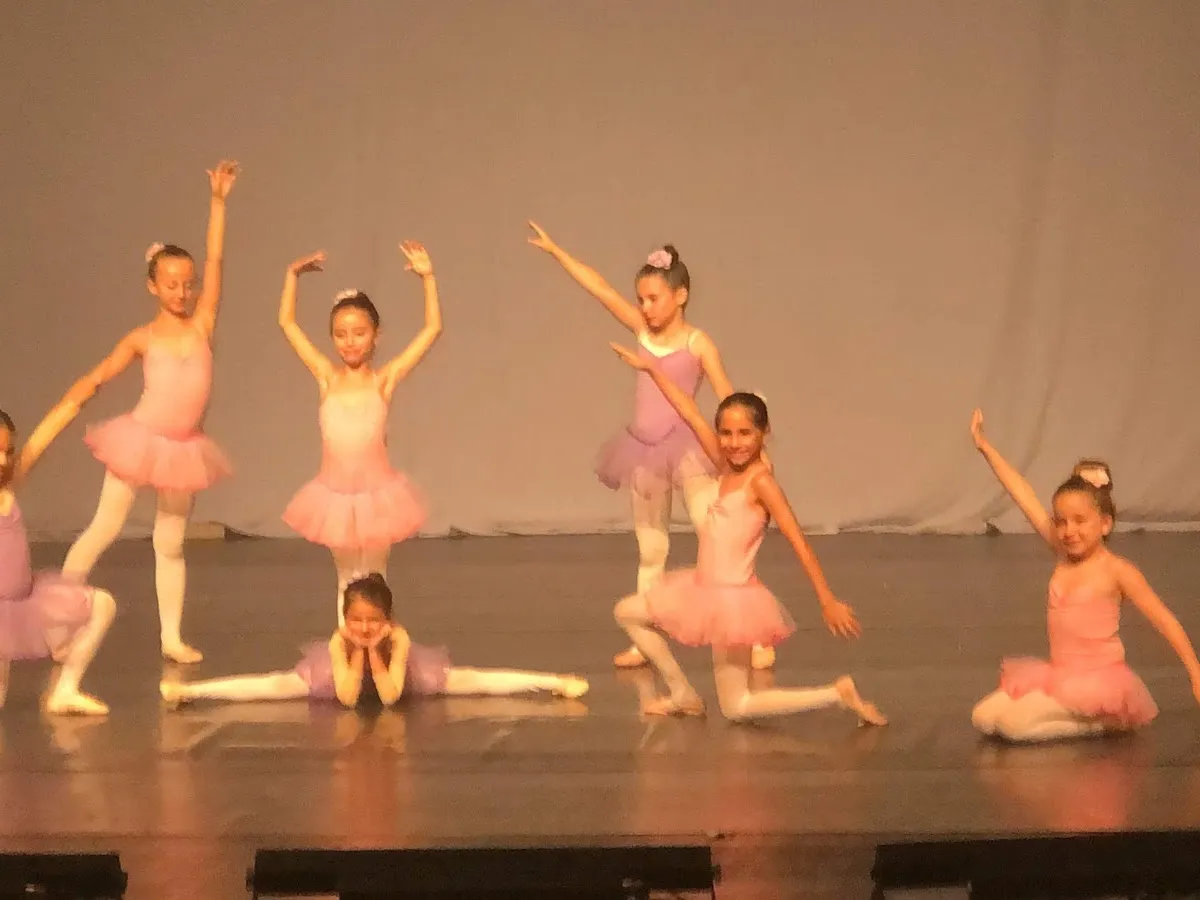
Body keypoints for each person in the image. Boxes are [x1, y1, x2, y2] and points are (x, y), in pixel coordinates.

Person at [528, 223, 774, 670]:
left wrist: (751, 451)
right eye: (641, 299)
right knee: (651, 549)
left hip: (687, 451)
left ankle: (753, 636)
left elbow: (727, 397)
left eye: (653, 298)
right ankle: (645, 640)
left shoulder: (698, 343)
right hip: (643, 452)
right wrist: (556, 252)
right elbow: (599, 289)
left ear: (680, 296)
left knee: (717, 537)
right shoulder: (642, 331)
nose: (645, 307)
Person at [608, 343, 886, 725]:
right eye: (726, 433)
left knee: (736, 706)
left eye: (744, 433)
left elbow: (798, 542)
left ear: (763, 433)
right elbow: (689, 412)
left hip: (733, 601)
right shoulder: (725, 467)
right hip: (701, 588)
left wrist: (827, 600)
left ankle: (835, 694)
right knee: (627, 612)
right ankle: (683, 693)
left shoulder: (762, 483)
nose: (733, 442)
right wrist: (653, 371)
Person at [59, 160, 240, 664]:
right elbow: (100, 374)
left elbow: (217, 258)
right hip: (139, 440)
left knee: (171, 543)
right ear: (152, 287)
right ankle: (56, 619)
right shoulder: (142, 337)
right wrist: (70, 404)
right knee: (104, 527)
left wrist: (218, 203)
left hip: (183, 450)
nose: (182, 292)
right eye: (171, 284)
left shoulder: (202, 323)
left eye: (188, 283)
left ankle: (171, 637)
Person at [969, 409, 1200, 742]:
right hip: (1060, 675)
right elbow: (1022, 493)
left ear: (1104, 523)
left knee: (1013, 725)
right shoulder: (1062, 552)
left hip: (1100, 682)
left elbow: (1164, 620)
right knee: (983, 717)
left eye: (1079, 521)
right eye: (1061, 521)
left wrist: (1195, 671)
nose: (1068, 530)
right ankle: (1081, 715)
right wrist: (985, 446)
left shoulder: (1117, 570)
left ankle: (1103, 720)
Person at [278, 246, 439, 625]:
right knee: (346, 580)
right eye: (340, 334)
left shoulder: (384, 381)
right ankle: (349, 648)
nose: (349, 341)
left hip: (377, 496)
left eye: (359, 333)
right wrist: (291, 276)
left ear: (376, 335)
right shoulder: (326, 377)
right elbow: (287, 324)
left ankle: (379, 644)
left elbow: (432, 330)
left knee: (375, 578)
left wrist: (428, 278)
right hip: (335, 498)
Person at [159, 573, 589, 708]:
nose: (364, 628)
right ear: (345, 618)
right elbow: (348, 698)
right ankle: (191, 692)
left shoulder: (398, 638)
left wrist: (376, 654)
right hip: (337, 678)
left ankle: (553, 682)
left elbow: (389, 696)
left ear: (388, 619)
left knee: (473, 679)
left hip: (403, 678)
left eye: (373, 621)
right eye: (356, 620)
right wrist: (356, 651)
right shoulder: (338, 641)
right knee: (273, 685)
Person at [0, 406, 117, 715]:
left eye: (8, 451)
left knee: (102, 605)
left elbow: (49, 428)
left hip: (26, 602)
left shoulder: (10, 483)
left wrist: (87, 391)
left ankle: (65, 690)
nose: (3, 461)